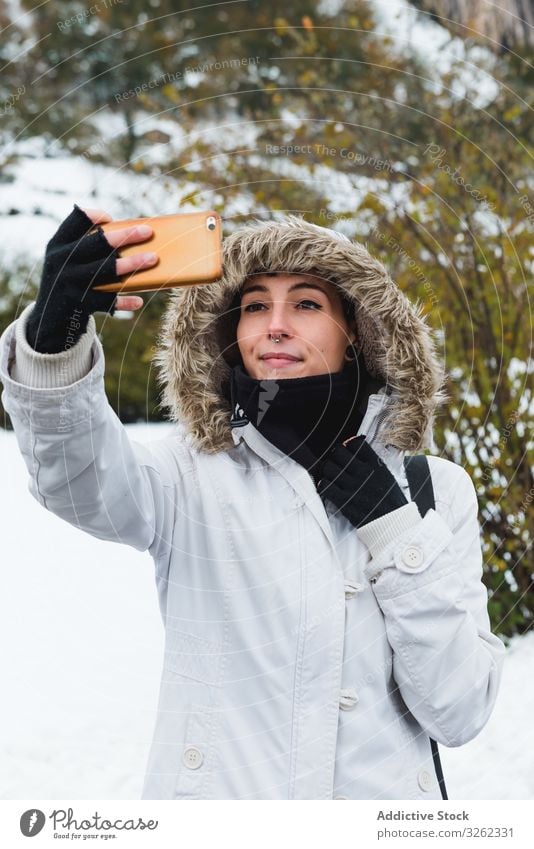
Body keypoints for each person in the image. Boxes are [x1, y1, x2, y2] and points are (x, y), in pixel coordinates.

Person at [0, 205, 506, 801]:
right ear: (230, 333)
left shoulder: (436, 490)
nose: (276, 325)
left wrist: (395, 533)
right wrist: (53, 339)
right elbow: (76, 483)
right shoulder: (189, 472)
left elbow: (460, 710)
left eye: (308, 304)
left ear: (359, 332)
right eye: (256, 305)